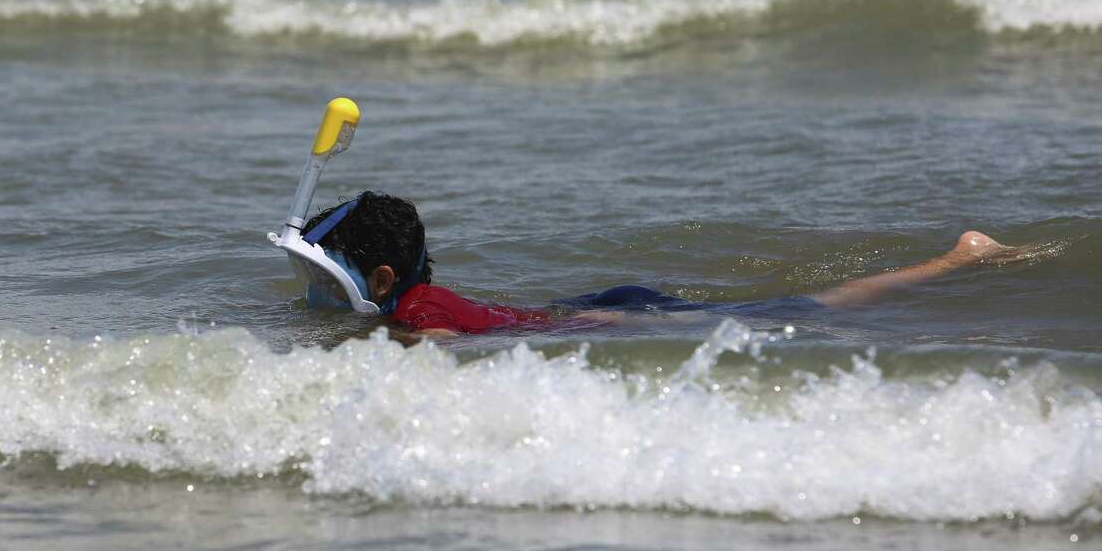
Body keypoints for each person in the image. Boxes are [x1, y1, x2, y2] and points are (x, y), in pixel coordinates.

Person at [301, 191, 1026, 338]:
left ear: (385, 282)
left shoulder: (417, 315)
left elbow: (434, 357)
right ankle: (956, 257)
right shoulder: (419, 300)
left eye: (323, 274)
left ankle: (958, 258)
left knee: (818, 306)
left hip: (610, 313)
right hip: (585, 305)